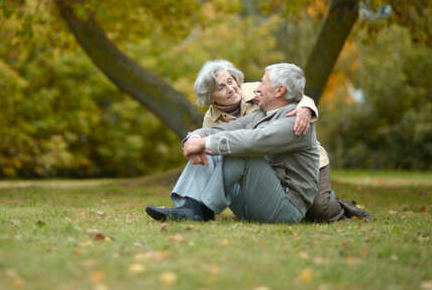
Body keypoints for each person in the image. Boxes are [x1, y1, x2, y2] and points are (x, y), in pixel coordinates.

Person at [145, 62, 370, 222]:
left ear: (279, 90)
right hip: (266, 184)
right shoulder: (262, 111)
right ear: (211, 96)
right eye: (221, 87)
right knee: (220, 149)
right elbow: (227, 130)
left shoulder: (293, 121)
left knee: (320, 208)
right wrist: (193, 138)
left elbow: (253, 140)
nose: (255, 88)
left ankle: (202, 209)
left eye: (262, 83)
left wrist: (307, 108)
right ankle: (189, 206)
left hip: (288, 195)